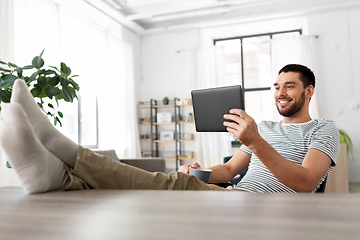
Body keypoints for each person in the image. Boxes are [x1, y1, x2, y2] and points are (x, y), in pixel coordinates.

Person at [0, 64, 339, 194]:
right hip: (233, 197)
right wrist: (202, 171)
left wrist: (256, 141)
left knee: (162, 185)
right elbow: (230, 170)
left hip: (272, 206)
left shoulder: (323, 129)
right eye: (277, 86)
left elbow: (307, 183)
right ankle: (58, 177)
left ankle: (64, 159)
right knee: (163, 184)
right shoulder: (263, 126)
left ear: (308, 91)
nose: (281, 93)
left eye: (290, 86)